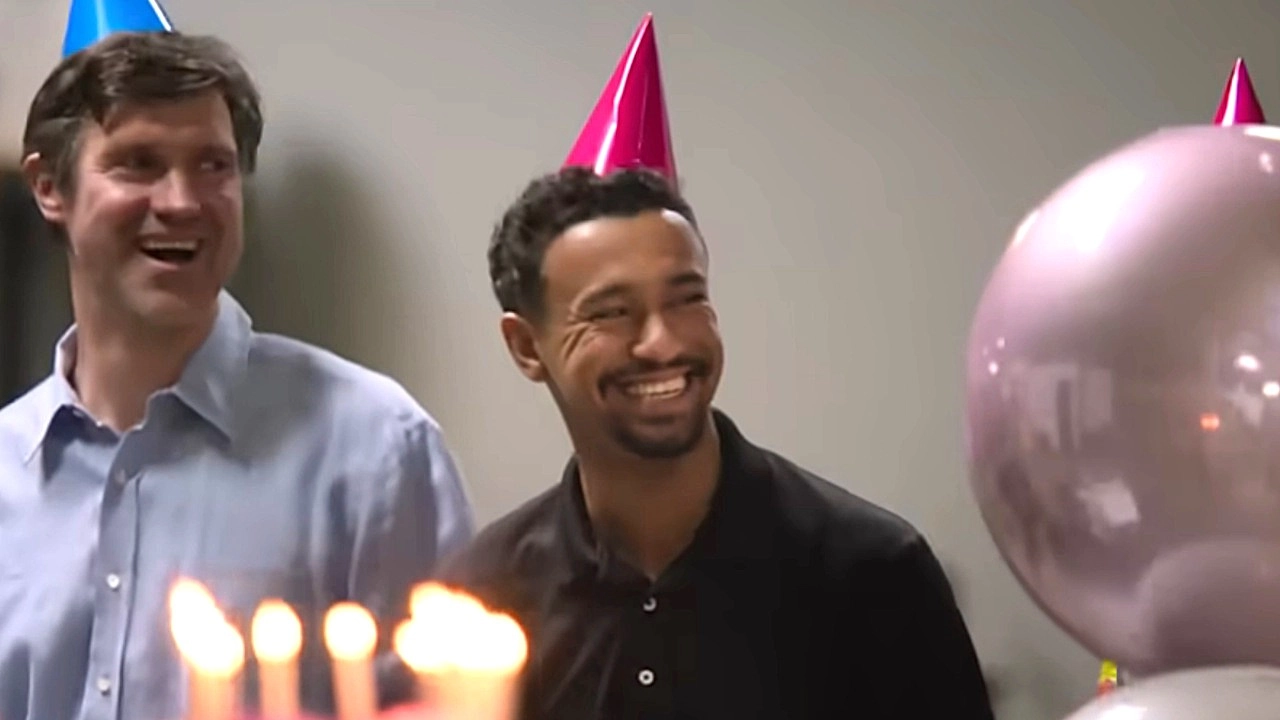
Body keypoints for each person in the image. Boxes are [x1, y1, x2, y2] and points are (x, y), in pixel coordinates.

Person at [0, 29, 474, 720]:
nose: (182, 200)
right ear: (49, 187)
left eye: (212, 166)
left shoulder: (375, 449)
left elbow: (447, 703)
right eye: (138, 164)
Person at [436, 166, 996, 719]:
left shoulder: (871, 574)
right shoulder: (482, 610)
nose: (662, 343)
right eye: (612, 312)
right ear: (526, 346)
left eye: (687, 299)